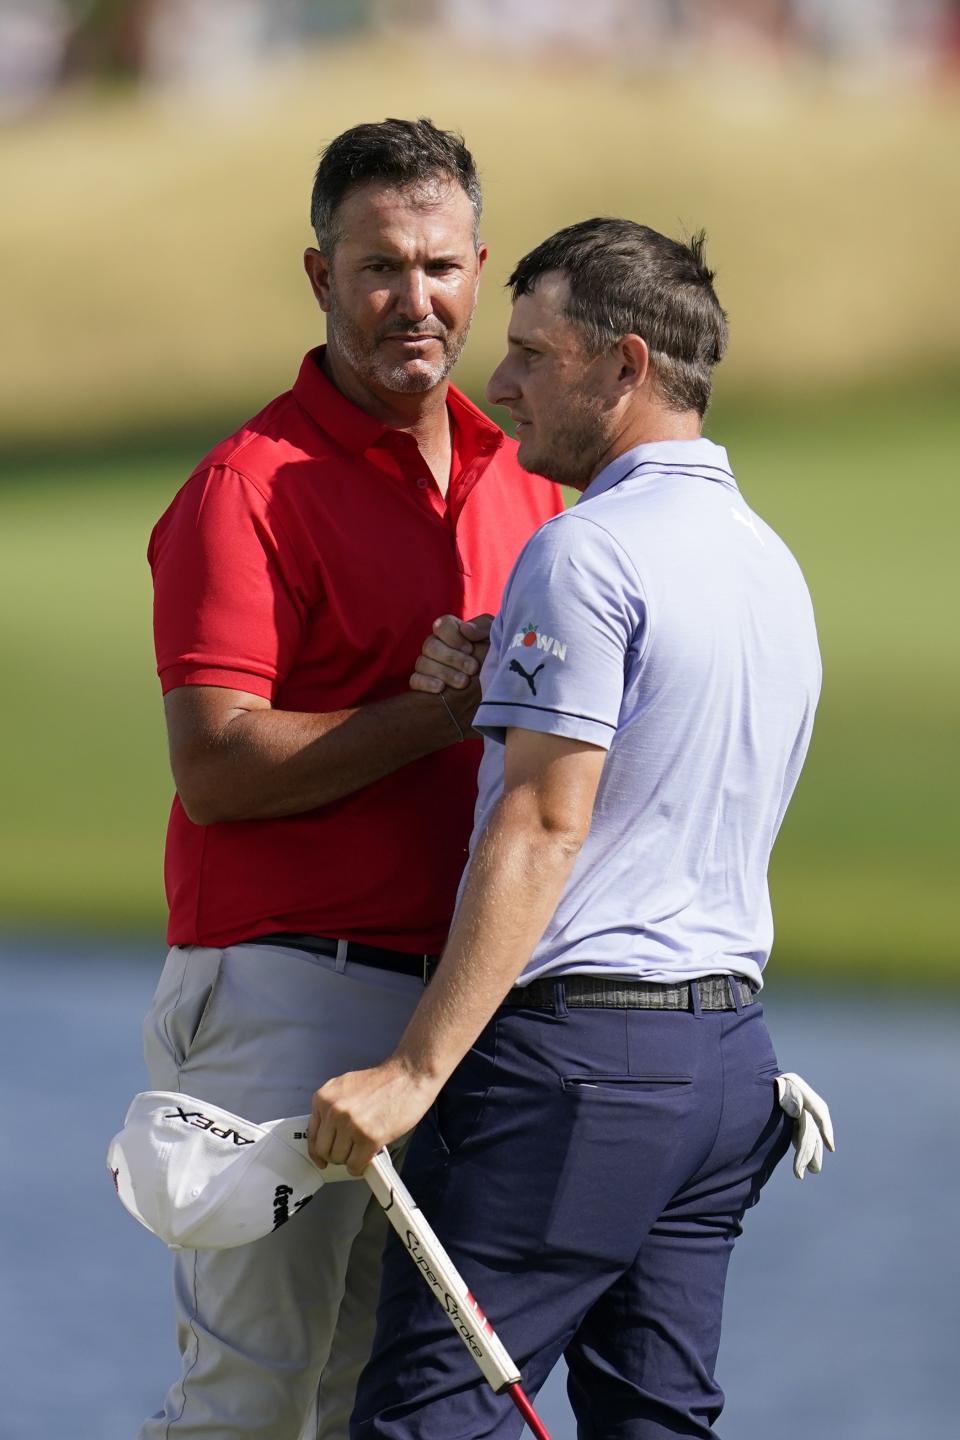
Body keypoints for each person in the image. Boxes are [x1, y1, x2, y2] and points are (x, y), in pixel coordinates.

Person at [309, 219, 830, 1439]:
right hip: (726, 1071)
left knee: (429, 1420)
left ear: (626, 366)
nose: (498, 384)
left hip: (579, 1073)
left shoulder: (581, 552)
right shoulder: (768, 562)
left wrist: (413, 1072)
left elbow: (544, 825)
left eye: (535, 355)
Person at [139, 118, 563, 1440]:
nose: (413, 298)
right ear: (319, 276)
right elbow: (216, 769)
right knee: (254, 1407)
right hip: (280, 990)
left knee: (382, 1407)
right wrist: (433, 714)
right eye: (378, 266)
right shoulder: (246, 490)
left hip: (448, 1015)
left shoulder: (527, 480)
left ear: (481, 269)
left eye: (439, 265)